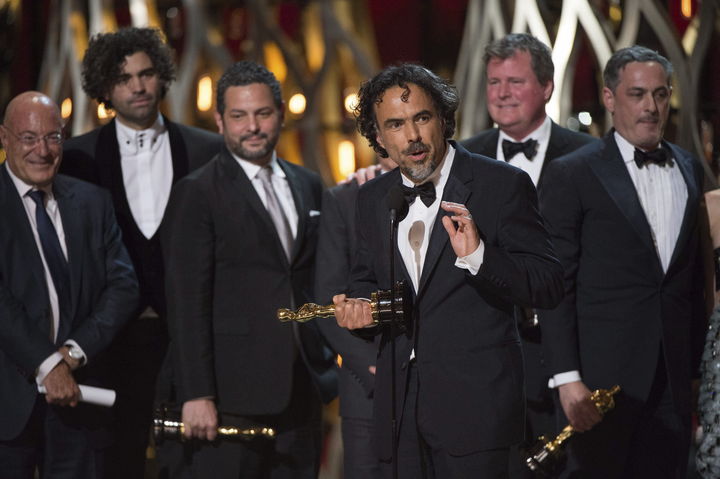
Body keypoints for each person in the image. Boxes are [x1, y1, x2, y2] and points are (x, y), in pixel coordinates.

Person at [333, 64, 564, 478]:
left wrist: (479, 255)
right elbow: (366, 279)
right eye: (395, 125)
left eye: (422, 118)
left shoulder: (501, 185)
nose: (413, 136)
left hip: (478, 412)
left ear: (443, 119)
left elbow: (547, 284)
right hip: (399, 411)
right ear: (379, 137)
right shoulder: (371, 198)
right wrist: (362, 311)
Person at [60, 27, 223, 478]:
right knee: (115, 462)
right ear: (104, 87)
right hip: (108, 344)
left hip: (188, 340)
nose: (138, 86)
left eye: (146, 73)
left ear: (162, 76)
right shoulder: (76, 159)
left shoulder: (208, 150)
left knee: (194, 462)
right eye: (123, 77)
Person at [161, 60, 337, 478]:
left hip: (302, 387)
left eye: (262, 113)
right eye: (239, 116)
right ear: (220, 121)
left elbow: (316, 278)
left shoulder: (308, 183)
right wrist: (197, 393)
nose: (252, 127)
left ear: (281, 113)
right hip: (229, 395)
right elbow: (186, 302)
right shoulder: (197, 192)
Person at [538, 46, 706, 478]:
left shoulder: (689, 168)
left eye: (660, 94)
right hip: (599, 385)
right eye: (637, 94)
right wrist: (567, 379)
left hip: (672, 387)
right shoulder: (572, 173)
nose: (651, 106)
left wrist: (695, 372)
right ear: (609, 98)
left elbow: (691, 281)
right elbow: (556, 286)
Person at [460, 33, 596, 477]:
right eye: (494, 82)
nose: (501, 93)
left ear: (547, 87)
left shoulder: (589, 157)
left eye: (515, 81)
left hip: (572, 355)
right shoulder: (463, 158)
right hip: (489, 355)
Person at [0, 91, 138, 478]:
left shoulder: (94, 202)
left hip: (80, 402)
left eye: (53, 137)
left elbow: (124, 287)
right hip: (8, 406)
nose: (42, 150)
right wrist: (48, 365)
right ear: (5, 138)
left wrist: (73, 354)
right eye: (29, 138)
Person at [314, 154, 396, 479]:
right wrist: (376, 367)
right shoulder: (344, 198)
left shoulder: (451, 191)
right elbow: (328, 301)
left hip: (439, 383)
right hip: (367, 388)